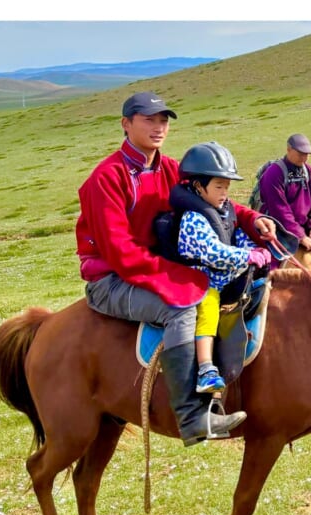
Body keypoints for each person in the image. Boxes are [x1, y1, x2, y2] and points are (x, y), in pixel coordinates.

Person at [75, 91, 276, 447]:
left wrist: (253, 219)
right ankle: (192, 416)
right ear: (126, 124)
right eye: (148, 119)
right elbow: (120, 252)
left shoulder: (171, 169)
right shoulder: (106, 178)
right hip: (112, 279)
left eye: (163, 120)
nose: (158, 127)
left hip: (159, 267)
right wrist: (176, 277)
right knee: (182, 305)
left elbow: (215, 204)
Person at [167, 142, 270, 393]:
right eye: (218, 186)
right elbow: (214, 253)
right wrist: (246, 257)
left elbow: (234, 238)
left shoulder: (222, 212)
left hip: (229, 280)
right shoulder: (193, 219)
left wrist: (255, 250)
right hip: (203, 281)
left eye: (227, 186)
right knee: (208, 311)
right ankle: (205, 370)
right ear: (198, 187)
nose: (224, 192)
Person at [257, 133, 311, 254]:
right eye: (300, 154)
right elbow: (279, 210)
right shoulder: (274, 173)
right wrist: (300, 236)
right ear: (288, 149)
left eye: (307, 154)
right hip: (278, 230)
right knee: (277, 267)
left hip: (304, 228)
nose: (304, 158)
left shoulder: (309, 172)